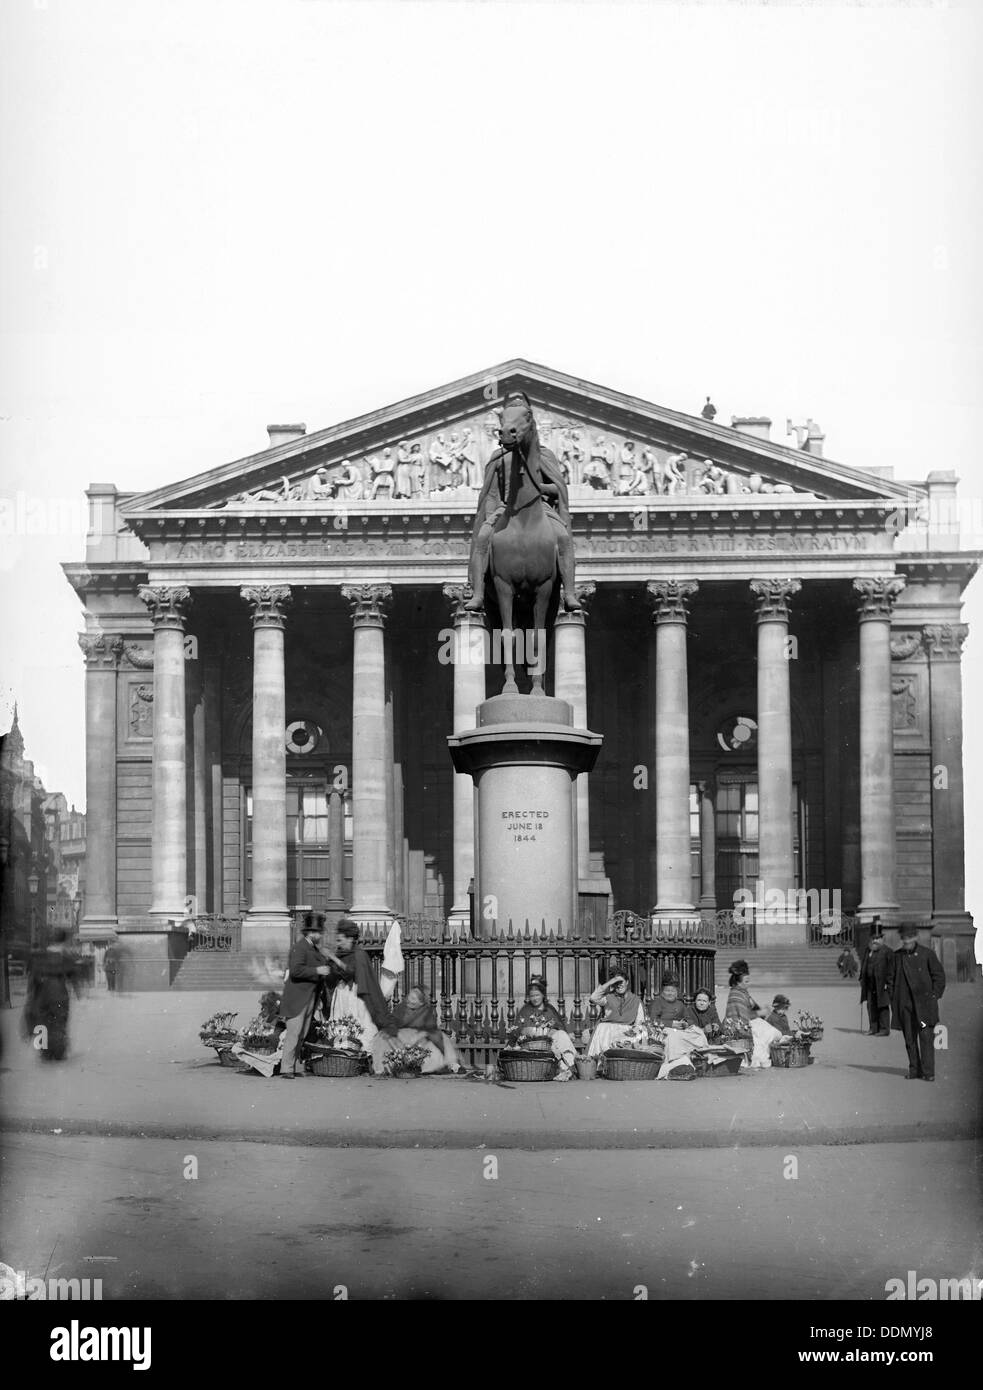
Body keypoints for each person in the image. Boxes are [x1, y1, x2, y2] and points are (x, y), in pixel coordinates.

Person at [464, 392, 580, 613]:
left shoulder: (544, 455)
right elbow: (490, 493)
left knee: (563, 538)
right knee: (482, 538)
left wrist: (539, 489)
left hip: (541, 508)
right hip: (504, 508)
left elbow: (558, 489)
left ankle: (570, 592)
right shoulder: (499, 457)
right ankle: (478, 593)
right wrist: (491, 517)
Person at [326, 918, 398, 1053]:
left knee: (359, 1024)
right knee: (340, 1023)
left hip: (356, 996)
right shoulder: (340, 954)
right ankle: (341, 1052)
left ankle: (363, 1053)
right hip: (341, 995)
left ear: (350, 939)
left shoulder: (360, 954)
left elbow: (352, 971)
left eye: (341, 940)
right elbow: (332, 974)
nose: (339, 944)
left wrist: (335, 960)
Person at [278, 913, 332, 1080]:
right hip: (298, 998)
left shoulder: (312, 948)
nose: (320, 935)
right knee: (294, 1033)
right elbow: (295, 970)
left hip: (308, 997)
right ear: (310, 933)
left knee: (301, 1033)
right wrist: (317, 970)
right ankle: (286, 1069)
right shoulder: (300, 947)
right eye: (318, 932)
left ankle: (292, 1067)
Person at [890, 926, 946, 1081]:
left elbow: (939, 976)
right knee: (909, 1039)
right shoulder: (897, 956)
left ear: (915, 938)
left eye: (909, 937)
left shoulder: (927, 954)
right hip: (905, 1006)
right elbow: (891, 979)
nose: (906, 941)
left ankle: (928, 1073)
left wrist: (934, 995)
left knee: (926, 1038)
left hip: (923, 1006)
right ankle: (914, 1070)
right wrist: (893, 999)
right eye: (904, 938)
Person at [371, 984, 465, 1076]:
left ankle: (452, 1065)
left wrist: (421, 1036)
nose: (410, 1000)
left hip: (420, 1040)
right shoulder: (400, 1008)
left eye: (414, 999)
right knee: (383, 1038)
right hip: (400, 1039)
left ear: (421, 1002)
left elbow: (431, 1029)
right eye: (410, 997)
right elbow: (392, 1023)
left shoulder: (426, 1011)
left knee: (442, 1038)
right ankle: (384, 1068)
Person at [22, 929, 83, 1062]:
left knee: (42, 1021)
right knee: (59, 1022)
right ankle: (58, 1052)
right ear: (64, 941)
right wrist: (78, 991)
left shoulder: (40, 957)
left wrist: (31, 993)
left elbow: (33, 978)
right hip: (59, 993)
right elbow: (73, 976)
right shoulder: (66, 958)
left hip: (42, 994)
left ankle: (44, 1052)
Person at [506, 975, 578, 1081]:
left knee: (561, 1036)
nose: (535, 998)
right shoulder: (525, 1010)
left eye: (537, 995)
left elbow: (559, 1026)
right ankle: (560, 1070)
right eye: (532, 996)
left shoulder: (550, 1009)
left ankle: (569, 1068)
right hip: (531, 1045)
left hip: (549, 1043)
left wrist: (555, 1030)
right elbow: (517, 1029)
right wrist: (525, 1030)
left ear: (543, 995)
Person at [724, 960, 781, 1067]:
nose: (748, 984)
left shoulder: (744, 993)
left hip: (748, 1024)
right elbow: (743, 1017)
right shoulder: (736, 995)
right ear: (737, 983)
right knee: (766, 1038)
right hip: (737, 1028)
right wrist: (760, 1012)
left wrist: (763, 1010)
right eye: (746, 982)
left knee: (774, 1033)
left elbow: (753, 1007)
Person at [586, 971, 645, 1059]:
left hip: (627, 1031)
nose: (619, 985)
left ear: (627, 982)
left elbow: (640, 1022)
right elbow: (593, 998)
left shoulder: (635, 1000)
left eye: (621, 982)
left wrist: (631, 1032)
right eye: (616, 983)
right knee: (603, 1027)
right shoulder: (608, 997)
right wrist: (611, 981)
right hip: (608, 1031)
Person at [859, 935, 892, 1036]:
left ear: (882, 939)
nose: (875, 941)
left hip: (882, 983)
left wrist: (889, 982)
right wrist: (862, 977)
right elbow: (864, 964)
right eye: (873, 939)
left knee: (882, 1005)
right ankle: (873, 1028)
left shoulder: (887, 951)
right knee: (871, 1005)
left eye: (877, 939)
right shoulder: (868, 950)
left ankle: (884, 1029)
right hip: (870, 983)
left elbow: (892, 968)